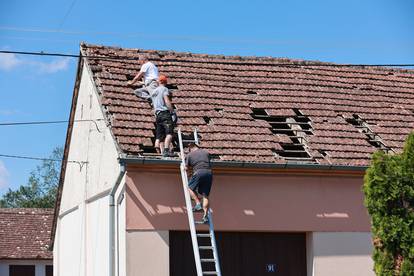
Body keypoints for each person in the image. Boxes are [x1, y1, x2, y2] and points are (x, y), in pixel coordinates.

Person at [139, 75, 174, 157]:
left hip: (157, 115)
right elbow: (166, 100)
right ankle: (166, 150)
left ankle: (157, 145)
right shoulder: (164, 89)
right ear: (165, 82)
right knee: (170, 133)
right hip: (164, 113)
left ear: (159, 82)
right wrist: (172, 111)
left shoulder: (154, 91)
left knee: (160, 134)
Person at [185, 143, 213, 223]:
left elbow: (186, 168)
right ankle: (205, 216)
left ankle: (198, 204)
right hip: (209, 173)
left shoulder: (190, 155)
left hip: (199, 172)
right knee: (205, 195)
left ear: (190, 149)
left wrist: (189, 174)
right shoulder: (206, 152)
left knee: (190, 188)